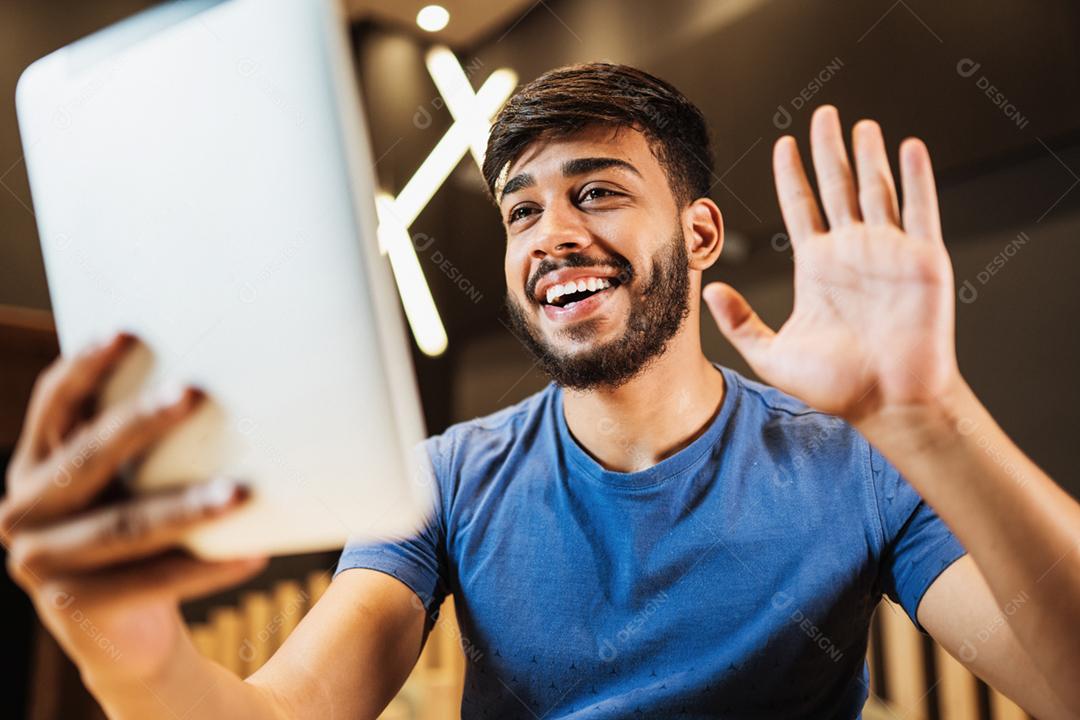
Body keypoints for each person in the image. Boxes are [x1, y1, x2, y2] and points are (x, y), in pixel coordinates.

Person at [3, 63, 1078, 720]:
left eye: (599, 192)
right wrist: (123, 643)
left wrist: (935, 420)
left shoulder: (862, 465)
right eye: (522, 212)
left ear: (700, 236)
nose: (552, 235)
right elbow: (285, 712)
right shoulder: (445, 479)